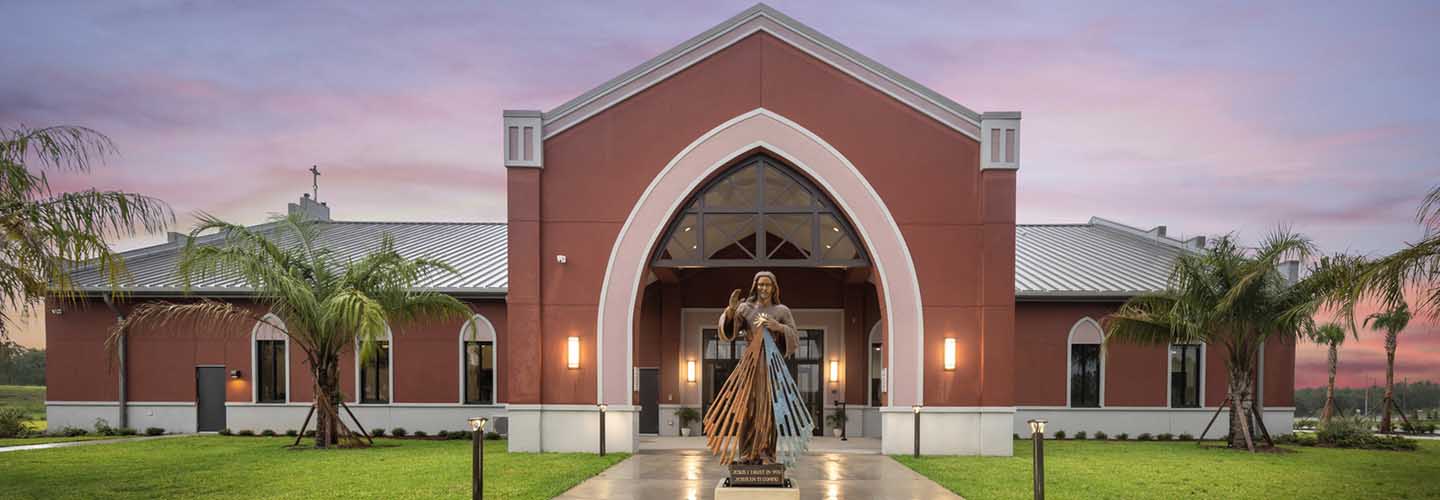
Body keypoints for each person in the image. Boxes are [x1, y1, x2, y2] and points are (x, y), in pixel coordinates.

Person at [703, 271, 812, 465]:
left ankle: (766, 453)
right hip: (750, 364)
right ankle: (746, 453)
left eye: (767, 285)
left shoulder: (781, 310)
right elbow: (729, 332)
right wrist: (730, 310)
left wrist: (777, 326)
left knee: (769, 408)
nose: (763, 288)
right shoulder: (745, 308)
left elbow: (795, 337)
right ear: (755, 286)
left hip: (771, 365)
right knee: (748, 407)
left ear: (774, 288)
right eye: (760, 284)